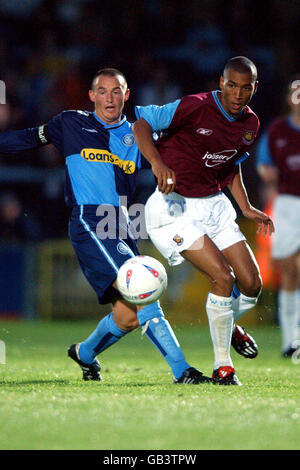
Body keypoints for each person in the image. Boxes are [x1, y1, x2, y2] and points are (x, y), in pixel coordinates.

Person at [0, 67, 212, 385]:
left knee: (127, 315)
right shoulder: (70, 122)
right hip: (89, 219)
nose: (109, 98)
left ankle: (85, 354)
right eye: (102, 91)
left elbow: (178, 159)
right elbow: (29, 138)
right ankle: (183, 371)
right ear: (91, 96)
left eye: (116, 91)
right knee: (143, 292)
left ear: (127, 96)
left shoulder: (138, 136)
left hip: (124, 220)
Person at [132, 56, 275, 386]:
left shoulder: (250, 124)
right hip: (174, 208)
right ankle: (223, 367)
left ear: (255, 88)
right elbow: (141, 124)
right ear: (221, 82)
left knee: (252, 285)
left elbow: (231, 164)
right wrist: (156, 163)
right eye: (232, 85)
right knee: (223, 278)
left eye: (246, 87)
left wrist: (246, 206)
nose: (238, 94)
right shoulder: (193, 106)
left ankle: (228, 325)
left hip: (215, 206)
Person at [256, 76, 300, 357]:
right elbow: (264, 164)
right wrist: (267, 175)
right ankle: (289, 341)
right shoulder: (277, 130)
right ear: (288, 97)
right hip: (286, 203)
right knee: (289, 270)